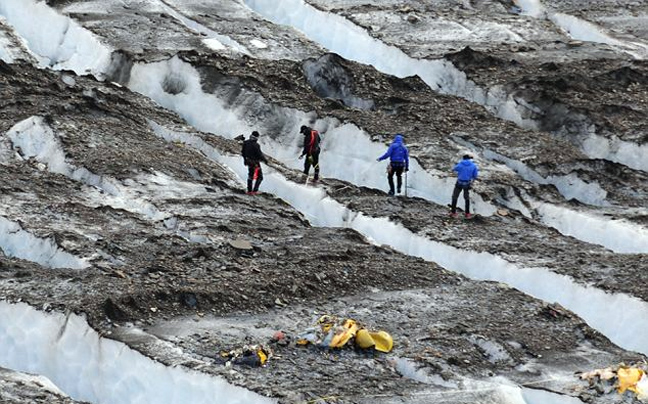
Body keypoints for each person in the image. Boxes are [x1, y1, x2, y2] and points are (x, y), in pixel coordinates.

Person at [450, 154, 479, 218]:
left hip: (459, 182)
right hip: (467, 183)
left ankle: (453, 212)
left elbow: (454, 169)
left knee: (455, 196)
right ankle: (467, 213)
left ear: (463, 159)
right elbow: (475, 175)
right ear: (469, 159)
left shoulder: (460, 164)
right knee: (466, 198)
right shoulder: (473, 165)